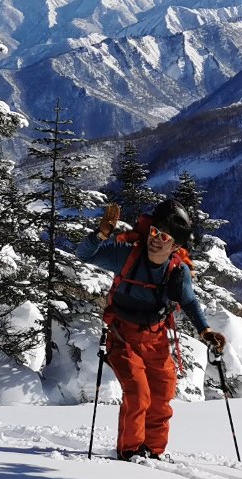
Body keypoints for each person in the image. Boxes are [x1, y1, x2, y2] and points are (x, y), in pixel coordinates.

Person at [82, 197, 225, 461]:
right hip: (121, 335)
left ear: (176, 245)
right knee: (138, 393)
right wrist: (102, 234)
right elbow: (84, 255)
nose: (156, 239)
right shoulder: (126, 255)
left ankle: (153, 451)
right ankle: (129, 451)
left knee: (162, 394)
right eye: (155, 232)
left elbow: (189, 302)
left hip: (156, 338)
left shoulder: (176, 270)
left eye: (165, 237)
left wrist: (205, 331)